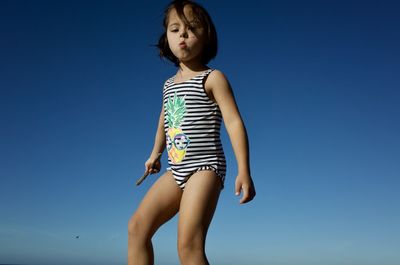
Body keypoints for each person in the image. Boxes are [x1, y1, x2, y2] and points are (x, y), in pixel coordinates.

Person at [128, 1, 256, 264]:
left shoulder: (212, 78)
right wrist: (155, 153)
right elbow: (164, 120)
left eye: (192, 28)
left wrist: (244, 169)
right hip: (175, 169)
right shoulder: (168, 85)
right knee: (137, 229)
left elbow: (233, 122)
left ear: (207, 37)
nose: (183, 34)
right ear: (167, 38)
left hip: (205, 166)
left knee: (188, 245)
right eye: (175, 29)